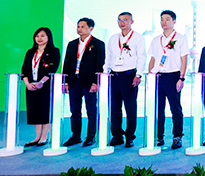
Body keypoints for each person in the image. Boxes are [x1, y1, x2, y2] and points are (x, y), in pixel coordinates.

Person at [147, 10, 189, 150]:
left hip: (173, 76)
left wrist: (181, 78)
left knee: (175, 108)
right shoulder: (156, 40)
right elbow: (152, 59)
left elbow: (184, 59)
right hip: (158, 77)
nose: (164, 22)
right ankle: (159, 136)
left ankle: (177, 137)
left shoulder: (181, 38)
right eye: (162, 19)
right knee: (158, 109)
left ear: (174, 21)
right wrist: (150, 76)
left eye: (167, 19)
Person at [61, 17, 105, 148]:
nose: (79, 29)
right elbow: (67, 63)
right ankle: (76, 136)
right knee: (74, 110)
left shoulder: (98, 44)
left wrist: (96, 82)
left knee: (91, 110)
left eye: (83, 27)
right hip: (74, 81)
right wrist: (65, 82)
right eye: (78, 26)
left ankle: (91, 136)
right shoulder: (72, 44)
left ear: (91, 28)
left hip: (89, 81)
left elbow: (100, 64)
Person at [104, 12, 143, 148]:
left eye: (125, 20)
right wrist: (105, 73)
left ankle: (130, 136)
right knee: (114, 108)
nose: (122, 23)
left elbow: (141, 57)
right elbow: (108, 57)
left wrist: (138, 75)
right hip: (114, 76)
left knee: (130, 108)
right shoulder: (113, 38)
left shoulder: (138, 37)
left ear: (132, 21)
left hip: (129, 76)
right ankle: (117, 136)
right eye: (119, 20)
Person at [21, 27, 60, 147]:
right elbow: (24, 69)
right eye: (37, 36)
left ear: (48, 37)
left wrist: (41, 82)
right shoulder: (30, 52)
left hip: (46, 85)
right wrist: (27, 83)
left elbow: (52, 69)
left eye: (42, 36)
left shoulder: (54, 51)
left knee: (45, 110)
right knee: (34, 111)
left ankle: (44, 137)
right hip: (31, 85)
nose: (39, 38)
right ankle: (37, 137)